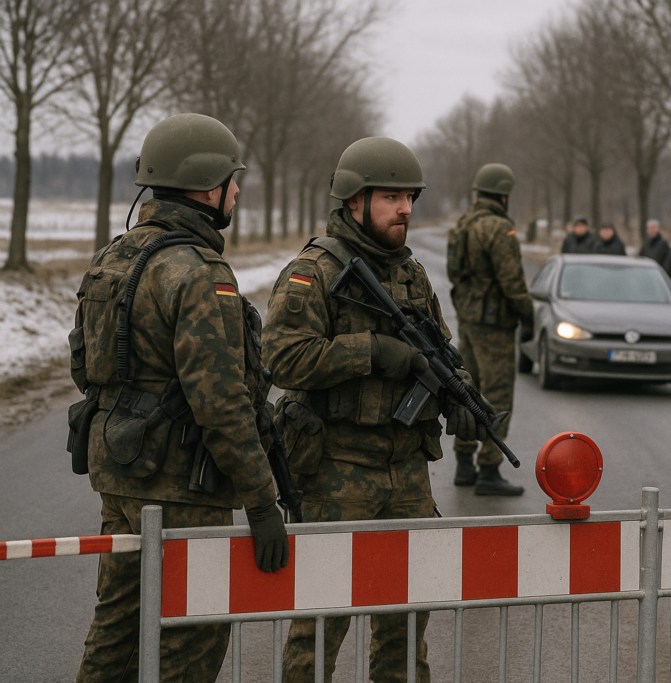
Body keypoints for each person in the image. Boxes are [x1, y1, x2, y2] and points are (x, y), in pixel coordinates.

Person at [73, 114, 288, 682]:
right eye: (231, 180)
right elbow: (222, 402)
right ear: (205, 185)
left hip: (118, 475)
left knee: (116, 631)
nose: (237, 191)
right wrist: (262, 502)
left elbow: (84, 366)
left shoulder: (111, 258)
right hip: (184, 490)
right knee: (189, 646)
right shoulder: (198, 271)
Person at [264, 137, 484, 682]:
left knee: (408, 618)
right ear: (354, 201)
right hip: (336, 469)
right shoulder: (313, 270)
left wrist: (458, 395)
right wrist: (373, 352)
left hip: (406, 470)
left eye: (410, 197)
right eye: (391, 197)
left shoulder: (411, 273)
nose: (406, 208)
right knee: (321, 621)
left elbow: (438, 347)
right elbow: (283, 359)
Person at [447, 162, 532, 495]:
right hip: (495, 324)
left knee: (470, 389)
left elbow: (455, 273)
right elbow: (513, 282)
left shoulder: (463, 224)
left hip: (468, 319)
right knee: (497, 393)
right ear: (503, 194)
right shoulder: (498, 228)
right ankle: (490, 468)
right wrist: (528, 315)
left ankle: (464, 464)